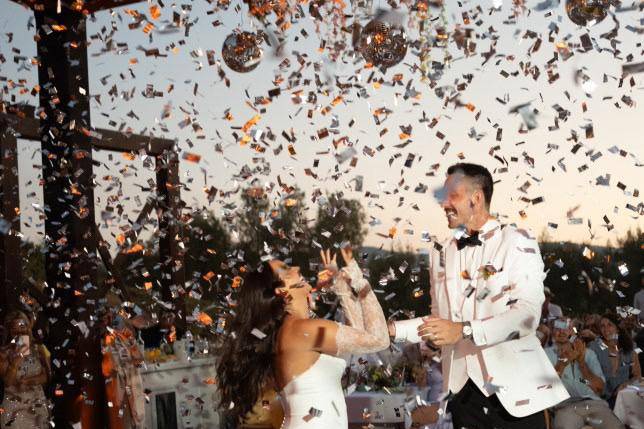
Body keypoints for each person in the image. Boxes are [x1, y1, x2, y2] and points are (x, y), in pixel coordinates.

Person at [389, 163, 569, 428]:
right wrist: (393, 330)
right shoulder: (441, 252)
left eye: (453, 196)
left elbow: (528, 315)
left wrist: (464, 331)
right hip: (463, 396)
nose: (444, 204)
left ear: (476, 197)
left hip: (517, 398)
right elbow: (440, 322)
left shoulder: (517, 240)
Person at [216, 247, 389, 428]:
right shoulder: (302, 331)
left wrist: (340, 283)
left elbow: (358, 336)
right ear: (281, 291)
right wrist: (360, 282)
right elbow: (378, 339)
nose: (297, 268)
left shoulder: (295, 330)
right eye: (286, 270)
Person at [545, 318, 624, 429]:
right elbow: (545, 389)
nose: (562, 331)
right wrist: (561, 364)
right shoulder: (544, 354)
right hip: (565, 407)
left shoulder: (588, 354)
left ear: (572, 331)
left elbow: (599, 388)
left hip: (593, 404)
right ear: (552, 331)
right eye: (557, 327)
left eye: (566, 328)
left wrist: (582, 363)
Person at [0, 310, 51, 429]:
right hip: (14, 409)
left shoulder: (40, 349)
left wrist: (29, 381)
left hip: (36, 405)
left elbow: (47, 376)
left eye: (23, 329)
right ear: (9, 332)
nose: (20, 334)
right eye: (15, 331)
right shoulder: (3, 353)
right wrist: (16, 361)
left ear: (28, 329)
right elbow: (7, 382)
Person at [101, 309, 145, 429]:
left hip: (131, 384)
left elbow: (139, 359)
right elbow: (106, 369)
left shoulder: (127, 338)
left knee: (137, 419)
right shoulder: (104, 341)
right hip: (116, 392)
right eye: (106, 319)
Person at [588, 313, 641, 405]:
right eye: (602, 326)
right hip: (601, 398)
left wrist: (626, 384)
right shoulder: (595, 347)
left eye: (610, 325)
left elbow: (637, 375)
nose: (606, 329)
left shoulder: (629, 346)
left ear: (618, 328)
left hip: (623, 396)